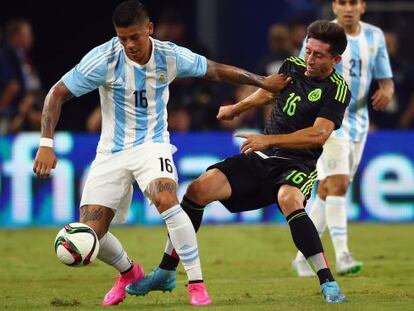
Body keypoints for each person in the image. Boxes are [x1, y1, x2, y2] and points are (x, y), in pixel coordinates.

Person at [32, 0, 289, 307]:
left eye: (135, 37)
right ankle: (128, 273)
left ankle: (196, 283)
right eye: (122, 38)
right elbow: (57, 93)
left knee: (167, 199)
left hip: (152, 145)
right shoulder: (103, 59)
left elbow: (216, 71)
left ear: (149, 29)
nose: (128, 45)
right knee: (90, 233)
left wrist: (261, 81)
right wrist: (46, 144)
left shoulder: (169, 55)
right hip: (110, 152)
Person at [127, 20, 350, 304]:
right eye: (308, 51)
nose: (310, 59)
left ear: (336, 59)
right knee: (197, 191)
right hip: (261, 156)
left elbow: (319, 134)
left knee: (289, 199)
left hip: (297, 164)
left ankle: (328, 282)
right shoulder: (293, 65)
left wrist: (268, 140)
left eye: (318, 55)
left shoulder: (337, 89)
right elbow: (271, 91)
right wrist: (238, 107)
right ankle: (166, 271)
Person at [292, 0, 394, 277]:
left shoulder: (374, 36)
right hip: (328, 119)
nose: (348, 8)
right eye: (342, 2)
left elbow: (385, 78)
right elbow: (305, 73)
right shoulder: (322, 37)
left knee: (329, 191)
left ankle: (303, 256)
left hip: (360, 121)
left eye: (353, 2)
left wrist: (387, 89)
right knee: (335, 184)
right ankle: (343, 256)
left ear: (363, 6)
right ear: (334, 7)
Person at [0, 18, 42, 133]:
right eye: (27, 35)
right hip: (11, 114)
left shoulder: (23, 57)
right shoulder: (6, 56)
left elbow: (33, 86)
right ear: (16, 36)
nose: (31, 38)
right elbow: (12, 88)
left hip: (26, 110)